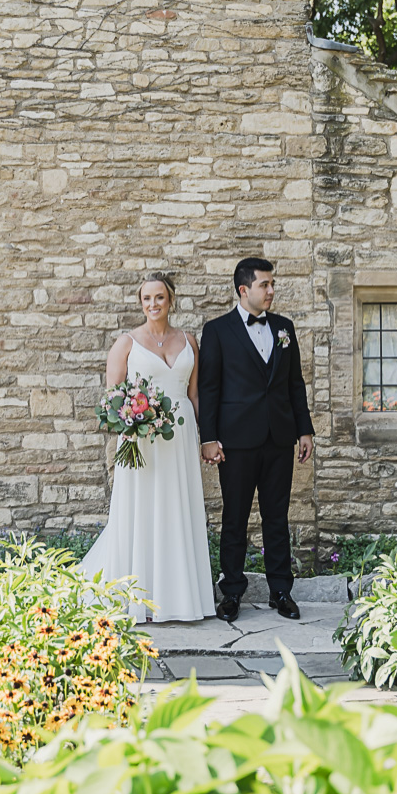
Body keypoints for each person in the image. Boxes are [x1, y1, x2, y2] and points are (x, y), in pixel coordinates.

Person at [81, 273, 215, 624]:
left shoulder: (189, 341)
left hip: (180, 437)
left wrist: (206, 438)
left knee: (178, 509)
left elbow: (194, 395)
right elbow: (113, 399)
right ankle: (137, 596)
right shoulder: (126, 343)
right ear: (140, 303)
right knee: (142, 512)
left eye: (159, 297)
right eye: (146, 299)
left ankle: (181, 598)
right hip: (142, 440)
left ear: (171, 299)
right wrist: (134, 420)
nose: (153, 304)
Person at [198, 257, 314, 623]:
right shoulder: (217, 331)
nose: (272, 290)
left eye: (272, 283)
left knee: (276, 518)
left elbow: (295, 384)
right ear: (243, 289)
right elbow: (209, 388)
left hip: (279, 438)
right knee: (234, 518)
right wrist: (209, 438)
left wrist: (304, 429)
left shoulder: (284, 328)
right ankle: (231, 591)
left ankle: (281, 591)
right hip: (236, 441)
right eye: (265, 284)